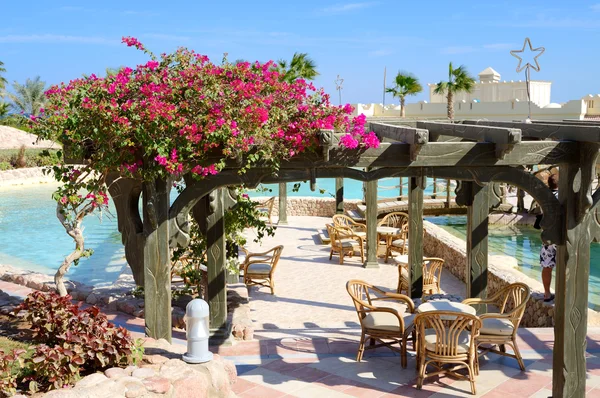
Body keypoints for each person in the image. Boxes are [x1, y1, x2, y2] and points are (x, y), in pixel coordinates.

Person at [534, 174, 559, 302]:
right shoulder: (564, 196)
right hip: (560, 237)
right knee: (566, 265)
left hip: (547, 238)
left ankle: (547, 294)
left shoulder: (544, 197)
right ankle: (563, 294)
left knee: (547, 266)